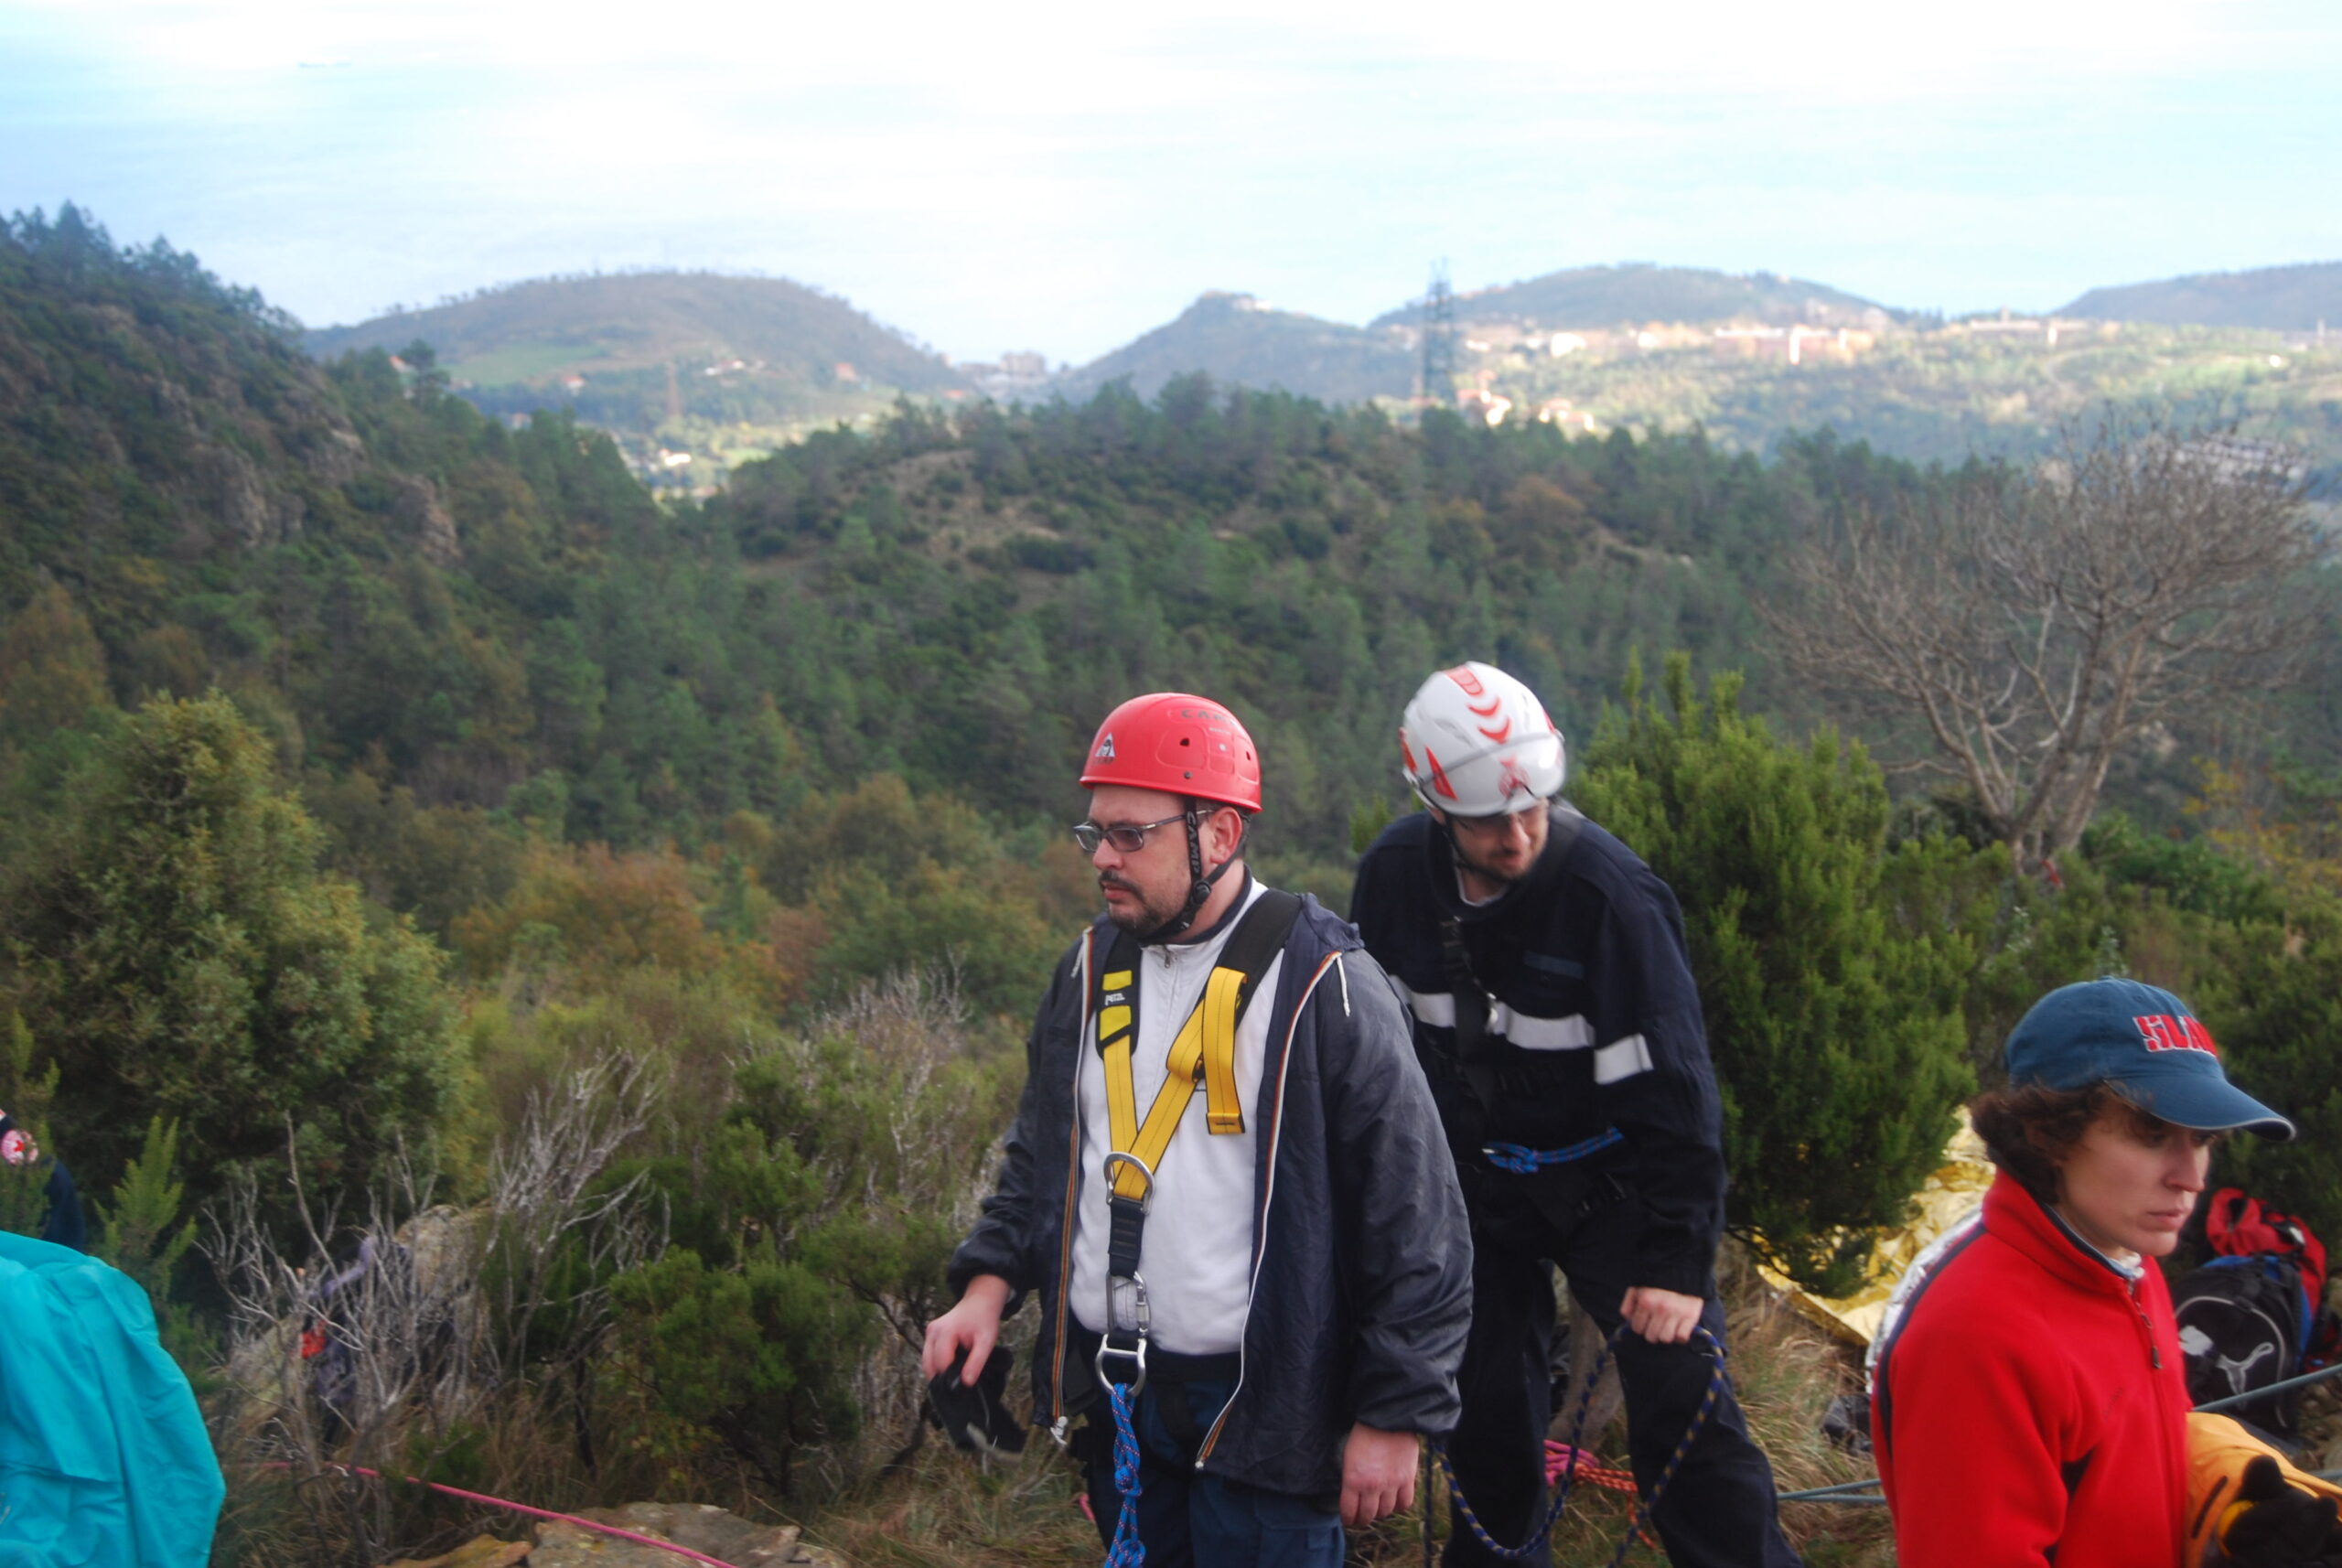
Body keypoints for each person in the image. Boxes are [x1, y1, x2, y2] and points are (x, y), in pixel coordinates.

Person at [923, 692, 1472, 1568]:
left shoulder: (1323, 980)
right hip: (1122, 1406)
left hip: (1265, 1415)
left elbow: (1418, 1218)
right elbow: (1045, 1155)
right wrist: (986, 1287)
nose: (1103, 857)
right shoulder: (1090, 965)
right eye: (1094, 833)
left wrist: (1396, 1414)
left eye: (1130, 835)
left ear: (1217, 833)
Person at [1349, 661, 1799, 1568]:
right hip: (1475, 1184)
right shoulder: (1394, 880)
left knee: (1682, 1403)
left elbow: (1676, 1088)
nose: (1517, 835)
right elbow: (1377, 1056)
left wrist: (1674, 1263)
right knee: (1482, 1407)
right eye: (1487, 819)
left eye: (1534, 808)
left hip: (1612, 1186)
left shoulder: (1608, 896)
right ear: (1436, 807)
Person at [1871, 978, 2300, 1568]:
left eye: (2201, 1138)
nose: (2192, 1177)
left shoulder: (2127, 1264)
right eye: (2152, 1134)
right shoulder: (1978, 1337)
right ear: (2050, 1134)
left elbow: (2139, 1452)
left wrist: (2230, 1505)